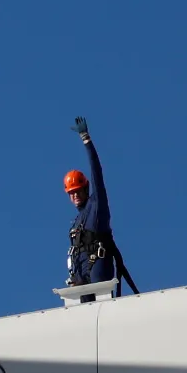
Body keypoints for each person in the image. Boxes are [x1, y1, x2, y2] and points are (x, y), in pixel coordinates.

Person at [63, 117, 136, 296]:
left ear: (86, 189)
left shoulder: (96, 205)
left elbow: (97, 173)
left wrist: (86, 140)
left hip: (98, 265)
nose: (75, 195)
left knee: (101, 302)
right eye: (71, 193)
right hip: (80, 271)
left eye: (78, 191)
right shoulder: (76, 222)